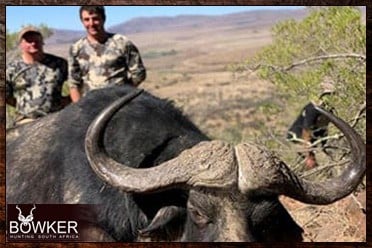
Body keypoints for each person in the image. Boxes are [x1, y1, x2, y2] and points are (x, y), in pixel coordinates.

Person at [68, 6, 146, 102]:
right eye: (87, 20)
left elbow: (139, 73)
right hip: (90, 106)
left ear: (103, 19)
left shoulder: (121, 42)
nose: (91, 23)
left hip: (119, 103)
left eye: (95, 19)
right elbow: (73, 84)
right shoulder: (76, 48)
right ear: (82, 22)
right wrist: (79, 109)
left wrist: (124, 92)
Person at [6, 26, 69, 127]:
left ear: (42, 42)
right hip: (25, 122)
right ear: (21, 44)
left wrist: (68, 100)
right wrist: (22, 105)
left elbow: (77, 83)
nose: (33, 43)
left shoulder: (59, 63)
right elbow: (5, 95)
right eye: (28, 41)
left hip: (56, 119)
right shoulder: (11, 69)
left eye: (36, 40)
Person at [287, 83, 335, 169]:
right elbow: (306, 131)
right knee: (309, 166)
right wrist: (309, 155)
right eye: (327, 94)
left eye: (331, 94)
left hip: (313, 140)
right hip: (299, 138)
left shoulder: (329, 109)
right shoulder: (313, 108)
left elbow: (324, 127)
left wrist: (324, 145)